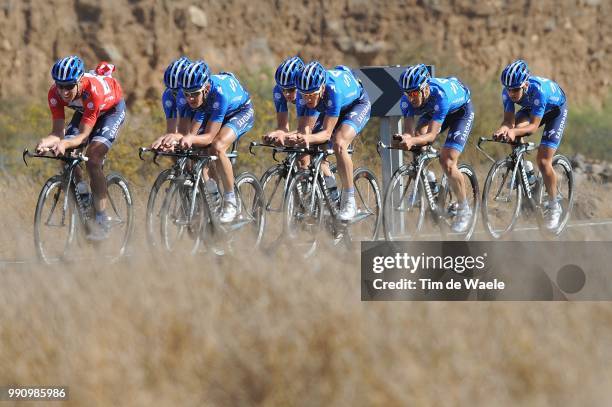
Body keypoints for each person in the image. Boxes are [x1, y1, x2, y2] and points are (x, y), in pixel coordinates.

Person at [36, 55, 126, 240]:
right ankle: (83, 193)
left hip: (110, 111)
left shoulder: (92, 90)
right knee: (66, 154)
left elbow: (83, 135)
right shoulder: (54, 93)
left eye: (69, 86)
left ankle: (101, 217)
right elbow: (57, 133)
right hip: (85, 111)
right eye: (60, 85)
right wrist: (46, 141)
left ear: (80, 81)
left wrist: (64, 142)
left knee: (93, 158)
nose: (64, 91)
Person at [159, 60, 255, 223]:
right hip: (209, 108)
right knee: (194, 149)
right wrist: (168, 140)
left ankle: (231, 201)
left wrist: (188, 138)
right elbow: (184, 135)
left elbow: (209, 137)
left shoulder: (219, 94)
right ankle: (212, 197)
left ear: (206, 88)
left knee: (217, 147)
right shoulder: (185, 93)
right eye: (187, 94)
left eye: (194, 93)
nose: (189, 98)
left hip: (238, 112)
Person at [395, 63, 474, 233]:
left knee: (447, 161)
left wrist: (413, 140)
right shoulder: (407, 101)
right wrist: (404, 138)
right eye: (407, 94)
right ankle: (426, 179)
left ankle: (464, 208)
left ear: (425, 89)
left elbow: (431, 135)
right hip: (435, 111)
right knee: (417, 135)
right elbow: (409, 132)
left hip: (460, 113)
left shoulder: (440, 96)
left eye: (414, 93)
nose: (411, 98)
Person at [493, 59, 568, 229]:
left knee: (543, 161)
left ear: (525, 84)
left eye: (515, 89)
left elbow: (533, 127)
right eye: (508, 89)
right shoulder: (508, 92)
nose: (511, 93)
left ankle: (554, 205)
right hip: (532, 107)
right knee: (514, 131)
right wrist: (502, 129)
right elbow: (508, 121)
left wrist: (512, 131)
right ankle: (525, 168)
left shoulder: (538, 91)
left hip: (555, 111)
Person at [294, 61, 371, 220]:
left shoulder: (333, 90)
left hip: (356, 105)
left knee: (339, 143)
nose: (308, 99)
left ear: (322, 87)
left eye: (311, 94)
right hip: (331, 107)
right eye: (304, 95)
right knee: (312, 149)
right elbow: (304, 130)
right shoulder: (304, 95)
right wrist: (294, 138)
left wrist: (307, 137)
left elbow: (327, 134)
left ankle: (350, 201)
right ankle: (332, 196)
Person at [151, 57, 192, 150]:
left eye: (180, 91)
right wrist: (165, 141)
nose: (178, 95)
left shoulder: (198, 95)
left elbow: (191, 133)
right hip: (187, 121)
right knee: (171, 147)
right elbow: (171, 131)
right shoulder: (168, 96)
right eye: (174, 91)